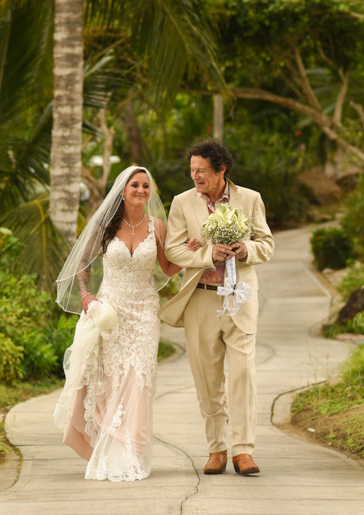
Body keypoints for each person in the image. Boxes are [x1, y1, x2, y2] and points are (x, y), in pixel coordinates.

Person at [54, 166, 199, 481]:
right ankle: (108, 449)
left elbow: (167, 267)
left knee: (139, 379)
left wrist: (188, 252)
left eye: (146, 186)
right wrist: (86, 296)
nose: (142, 190)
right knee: (111, 381)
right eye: (135, 185)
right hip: (111, 310)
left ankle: (131, 452)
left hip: (145, 311)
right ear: (123, 190)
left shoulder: (157, 226)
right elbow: (83, 262)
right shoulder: (106, 225)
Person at [159, 139, 274, 476]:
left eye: (202, 171)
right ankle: (216, 450)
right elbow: (173, 251)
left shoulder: (250, 199)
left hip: (241, 298)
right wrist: (207, 255)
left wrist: (245, 250)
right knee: (208, 379)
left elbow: (267, 243)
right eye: (192, 170)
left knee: (242, 375)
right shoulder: (181, 203)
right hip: (201, 298)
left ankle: (243, 451)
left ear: (221, 169)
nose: (195, 176)